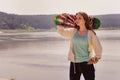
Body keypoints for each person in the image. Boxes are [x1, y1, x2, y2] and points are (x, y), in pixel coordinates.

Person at [57, 12, 102, 80]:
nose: (77, 20)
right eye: (76, 18)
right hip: (74, 64)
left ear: (85, 20)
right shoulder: (73, 32)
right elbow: (61, 32)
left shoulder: (90, 33)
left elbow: (98, 48)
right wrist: (61, 23)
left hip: (87, 63)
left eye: (80, 18)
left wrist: (95, 59)